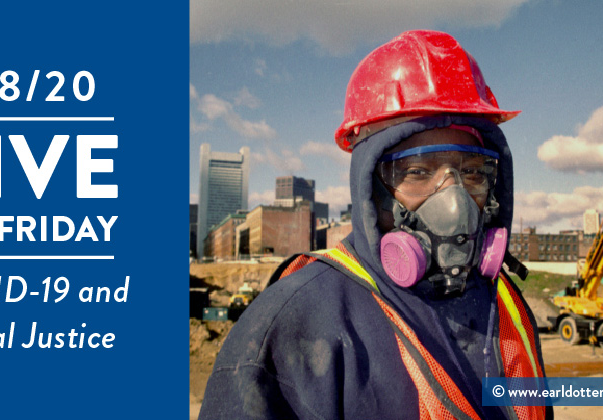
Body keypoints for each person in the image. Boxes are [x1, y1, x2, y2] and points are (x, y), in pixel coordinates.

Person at [200, 30, 550, 420]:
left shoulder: (506, 307)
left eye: (471, 172)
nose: (455, 202)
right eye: (418, 171)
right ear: (370, 186)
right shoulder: (294, 322)